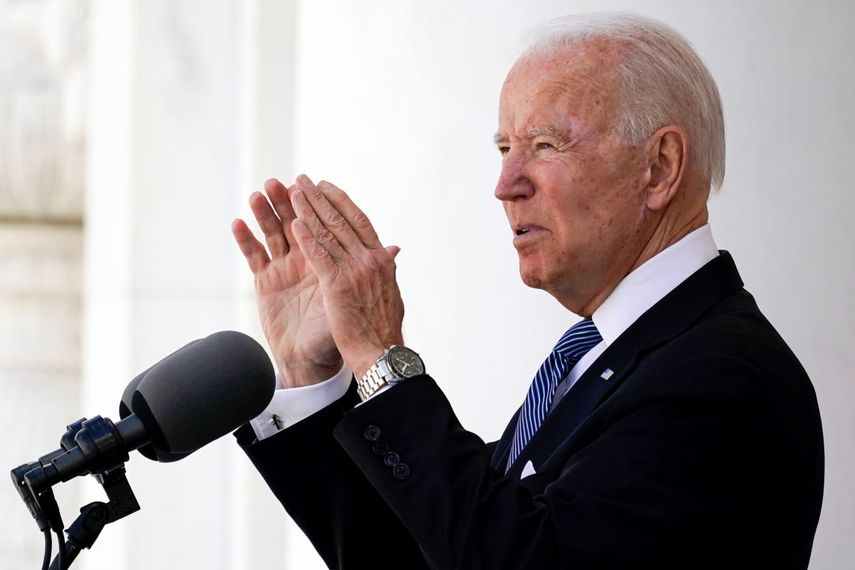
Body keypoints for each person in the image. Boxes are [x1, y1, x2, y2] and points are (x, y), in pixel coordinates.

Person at [230, 12, 823, 569]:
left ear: (660, 167)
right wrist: (310, 375)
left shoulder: (723, 374)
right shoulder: (601, 354)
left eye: (544, 146)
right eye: (505, 148)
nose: (506, 184)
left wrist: (383, 363)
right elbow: (426, 553)